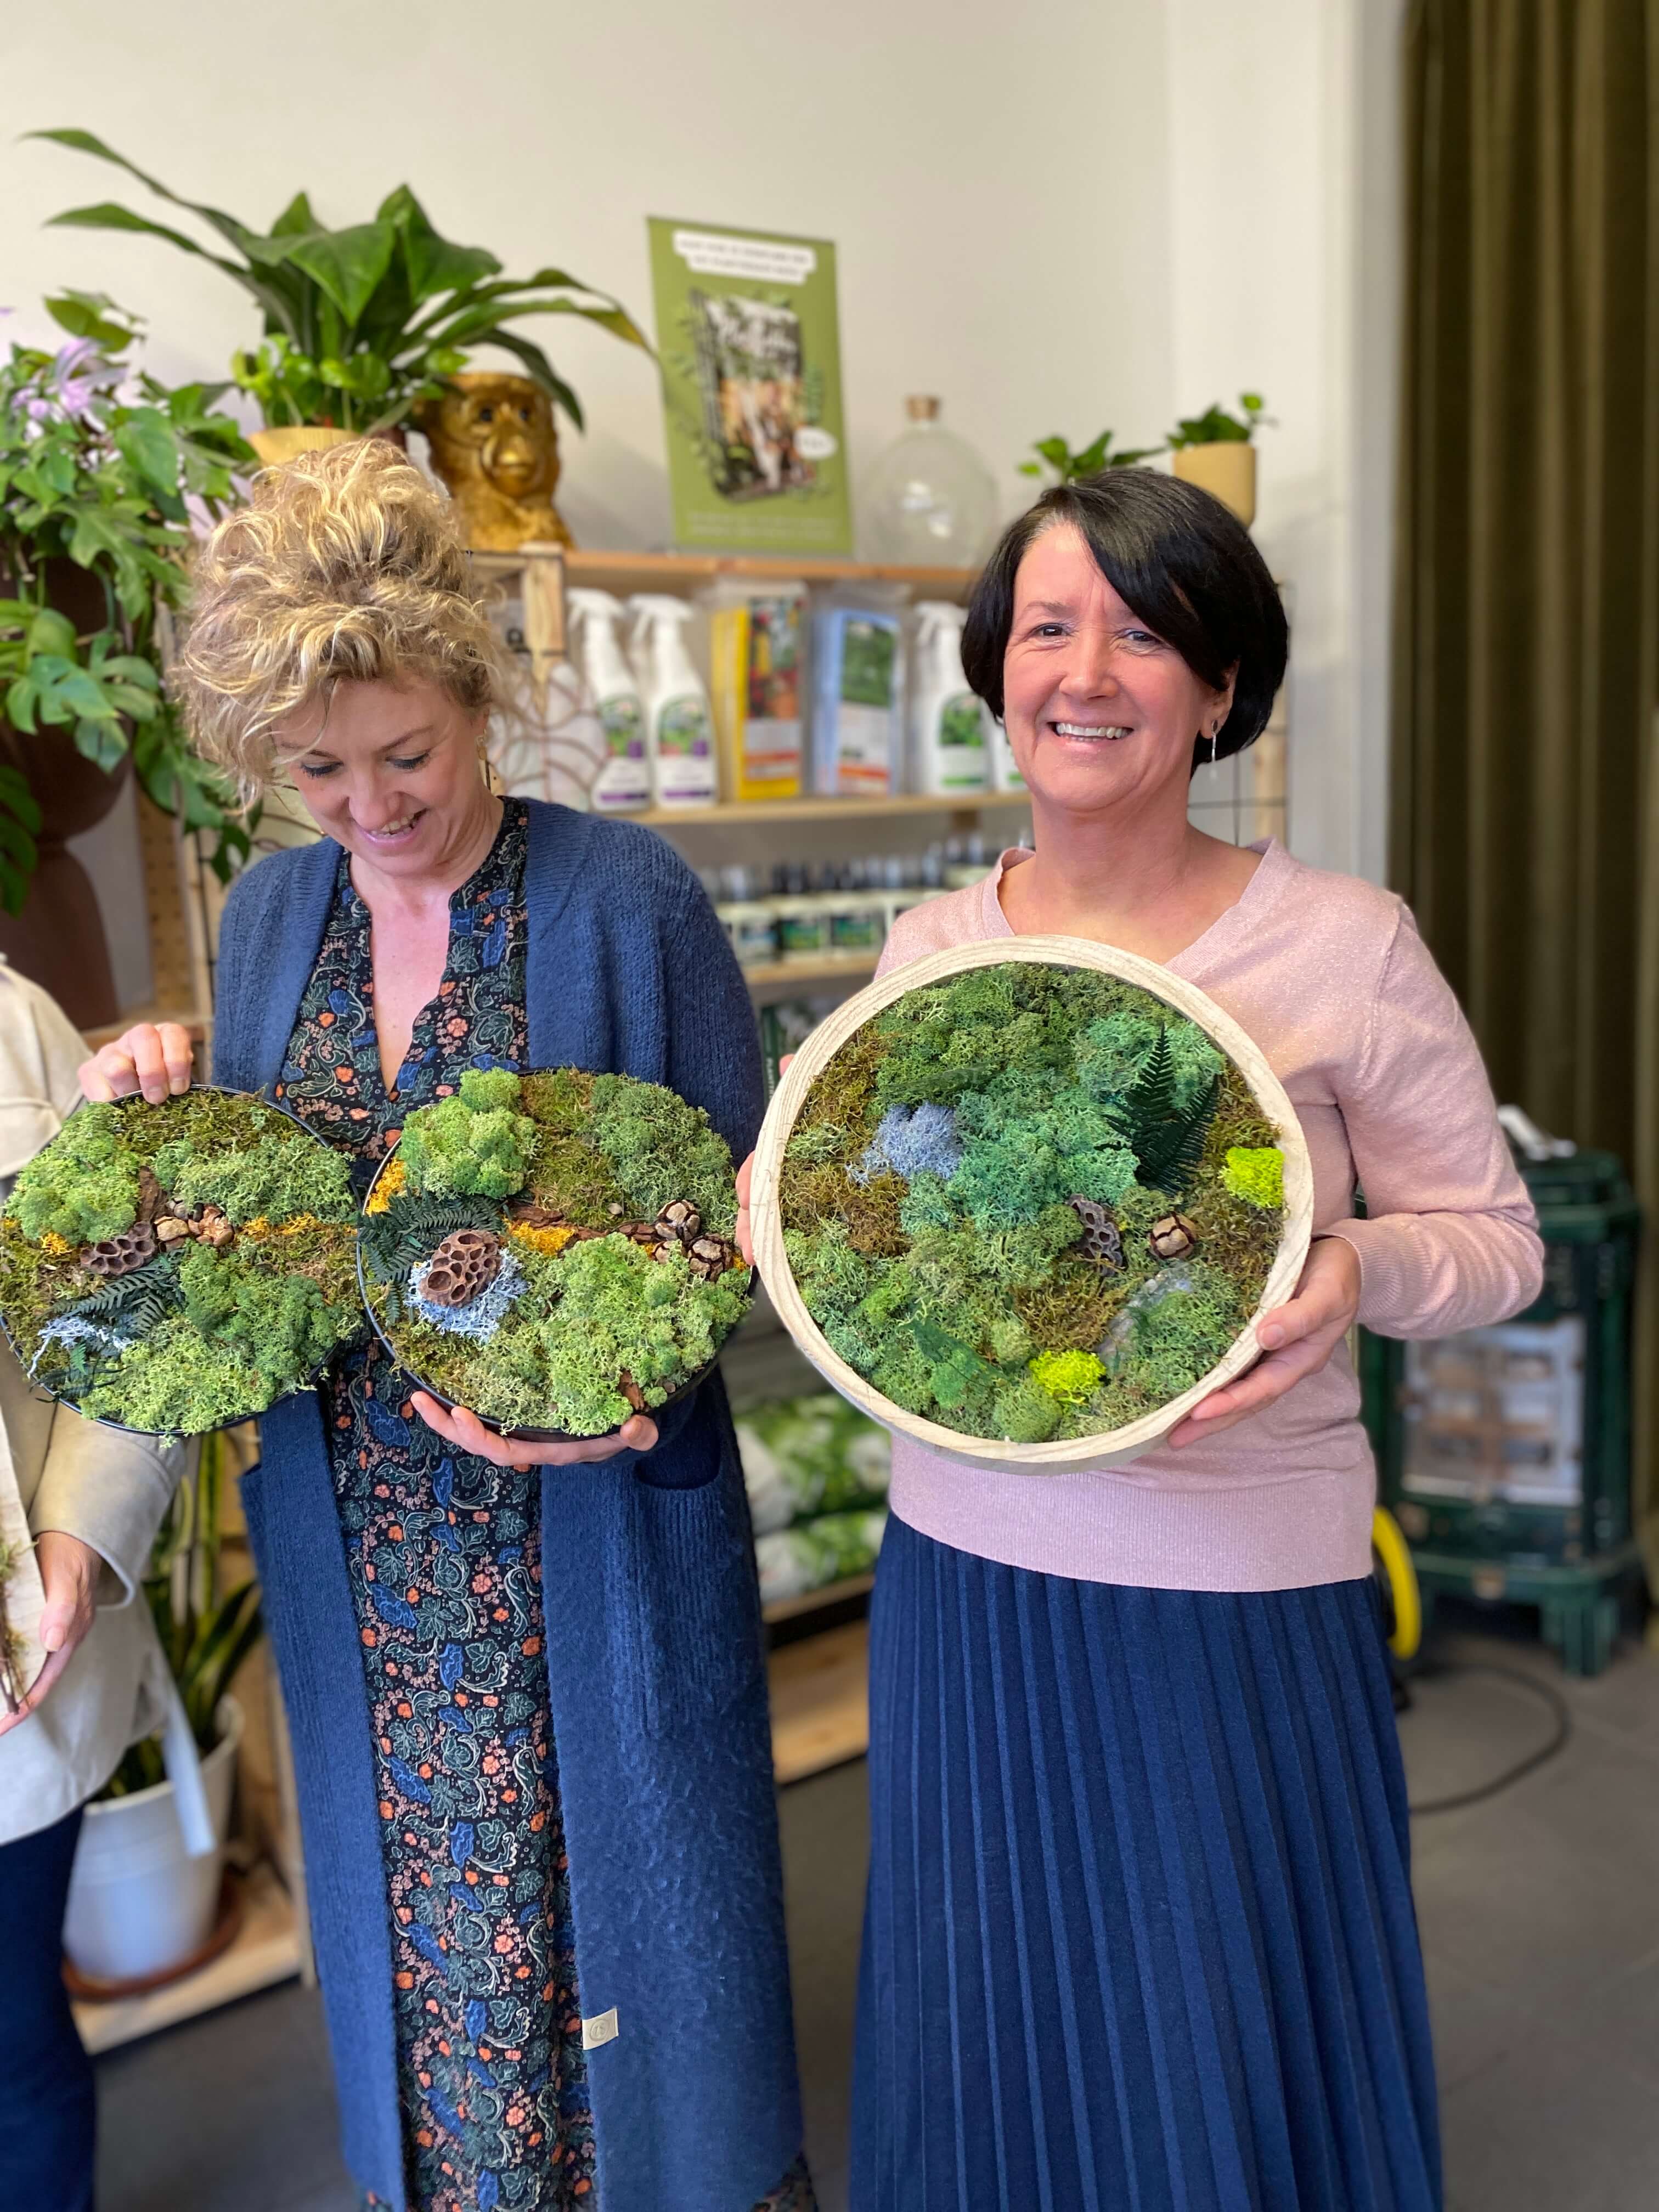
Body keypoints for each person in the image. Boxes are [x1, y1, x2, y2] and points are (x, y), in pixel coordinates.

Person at [82, 441, 811, 2212]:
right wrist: (160, 1095)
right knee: (429, 1967)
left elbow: (740, 1232)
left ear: (477, 695)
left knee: (643, 1968)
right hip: (366, 1556)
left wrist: (625, 1407)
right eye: (317, 770)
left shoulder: (625, 899)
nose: (369, 805)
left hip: (588, 1533)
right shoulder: (274, 917)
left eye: (405, 753)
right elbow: (265, 1229)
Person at [822, 471, 1539, 2209]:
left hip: (1235, 1580)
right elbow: (872, 1241)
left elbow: (1499, 1243)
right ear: (998, 676)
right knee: (990, 1997)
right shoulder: (929, 950)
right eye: (1047, 629)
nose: (1087, 672)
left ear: (1221, 690)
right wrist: (803, 1197)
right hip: (967, 1568)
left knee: (1212, 2009)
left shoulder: (1346, 945)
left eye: (1144, 635)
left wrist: (1352, 1267)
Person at [0, 960, 188, 2212]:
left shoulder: (9, 1024)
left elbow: (132, 1298)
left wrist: (78, 1536)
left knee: (10, 2042)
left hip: (17, 1663)